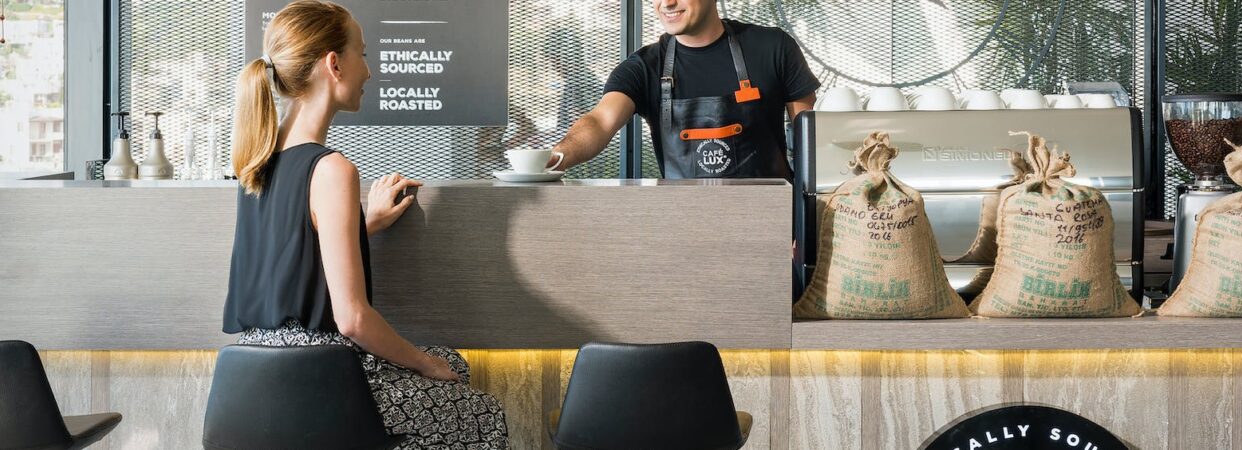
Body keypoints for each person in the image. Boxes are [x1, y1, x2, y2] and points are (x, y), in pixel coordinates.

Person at [221, 2, 508, 447]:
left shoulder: (257, 160)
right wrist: (425, 365)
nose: (370, 72)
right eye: (364, 53)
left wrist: (361, 225)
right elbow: (352, 319)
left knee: (454, 365)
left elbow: (292, 254)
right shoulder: (332, 169)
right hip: (323, 379)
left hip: (256, 382)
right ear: (334, 64)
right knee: (480, 412)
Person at [551, 0, 820, 178]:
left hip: (772, 231)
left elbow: (810, 142)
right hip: (683, 231)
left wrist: (802, 220)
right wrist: (554, 159)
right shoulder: (644, 68)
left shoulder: (774, 48)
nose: (666, 3)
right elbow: (599, 121)